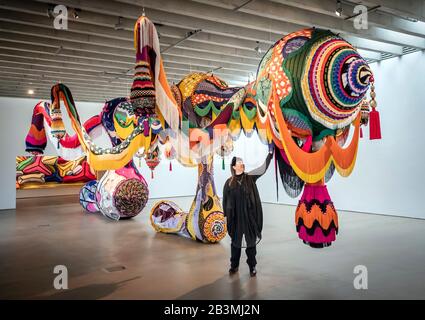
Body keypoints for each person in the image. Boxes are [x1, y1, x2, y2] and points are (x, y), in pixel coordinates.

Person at [222, 146, 274, 277]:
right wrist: (226, 216)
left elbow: (263, 168)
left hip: (249, 217)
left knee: (251, 243)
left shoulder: (250, 178)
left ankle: (252, 266)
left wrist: (270, 154)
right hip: (236, 218)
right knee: (235, 243)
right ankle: (234, 266)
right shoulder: (229, 183)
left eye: (242, 162)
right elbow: (226, 201)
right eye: (239, 162)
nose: (242, 164)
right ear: (234, 166)